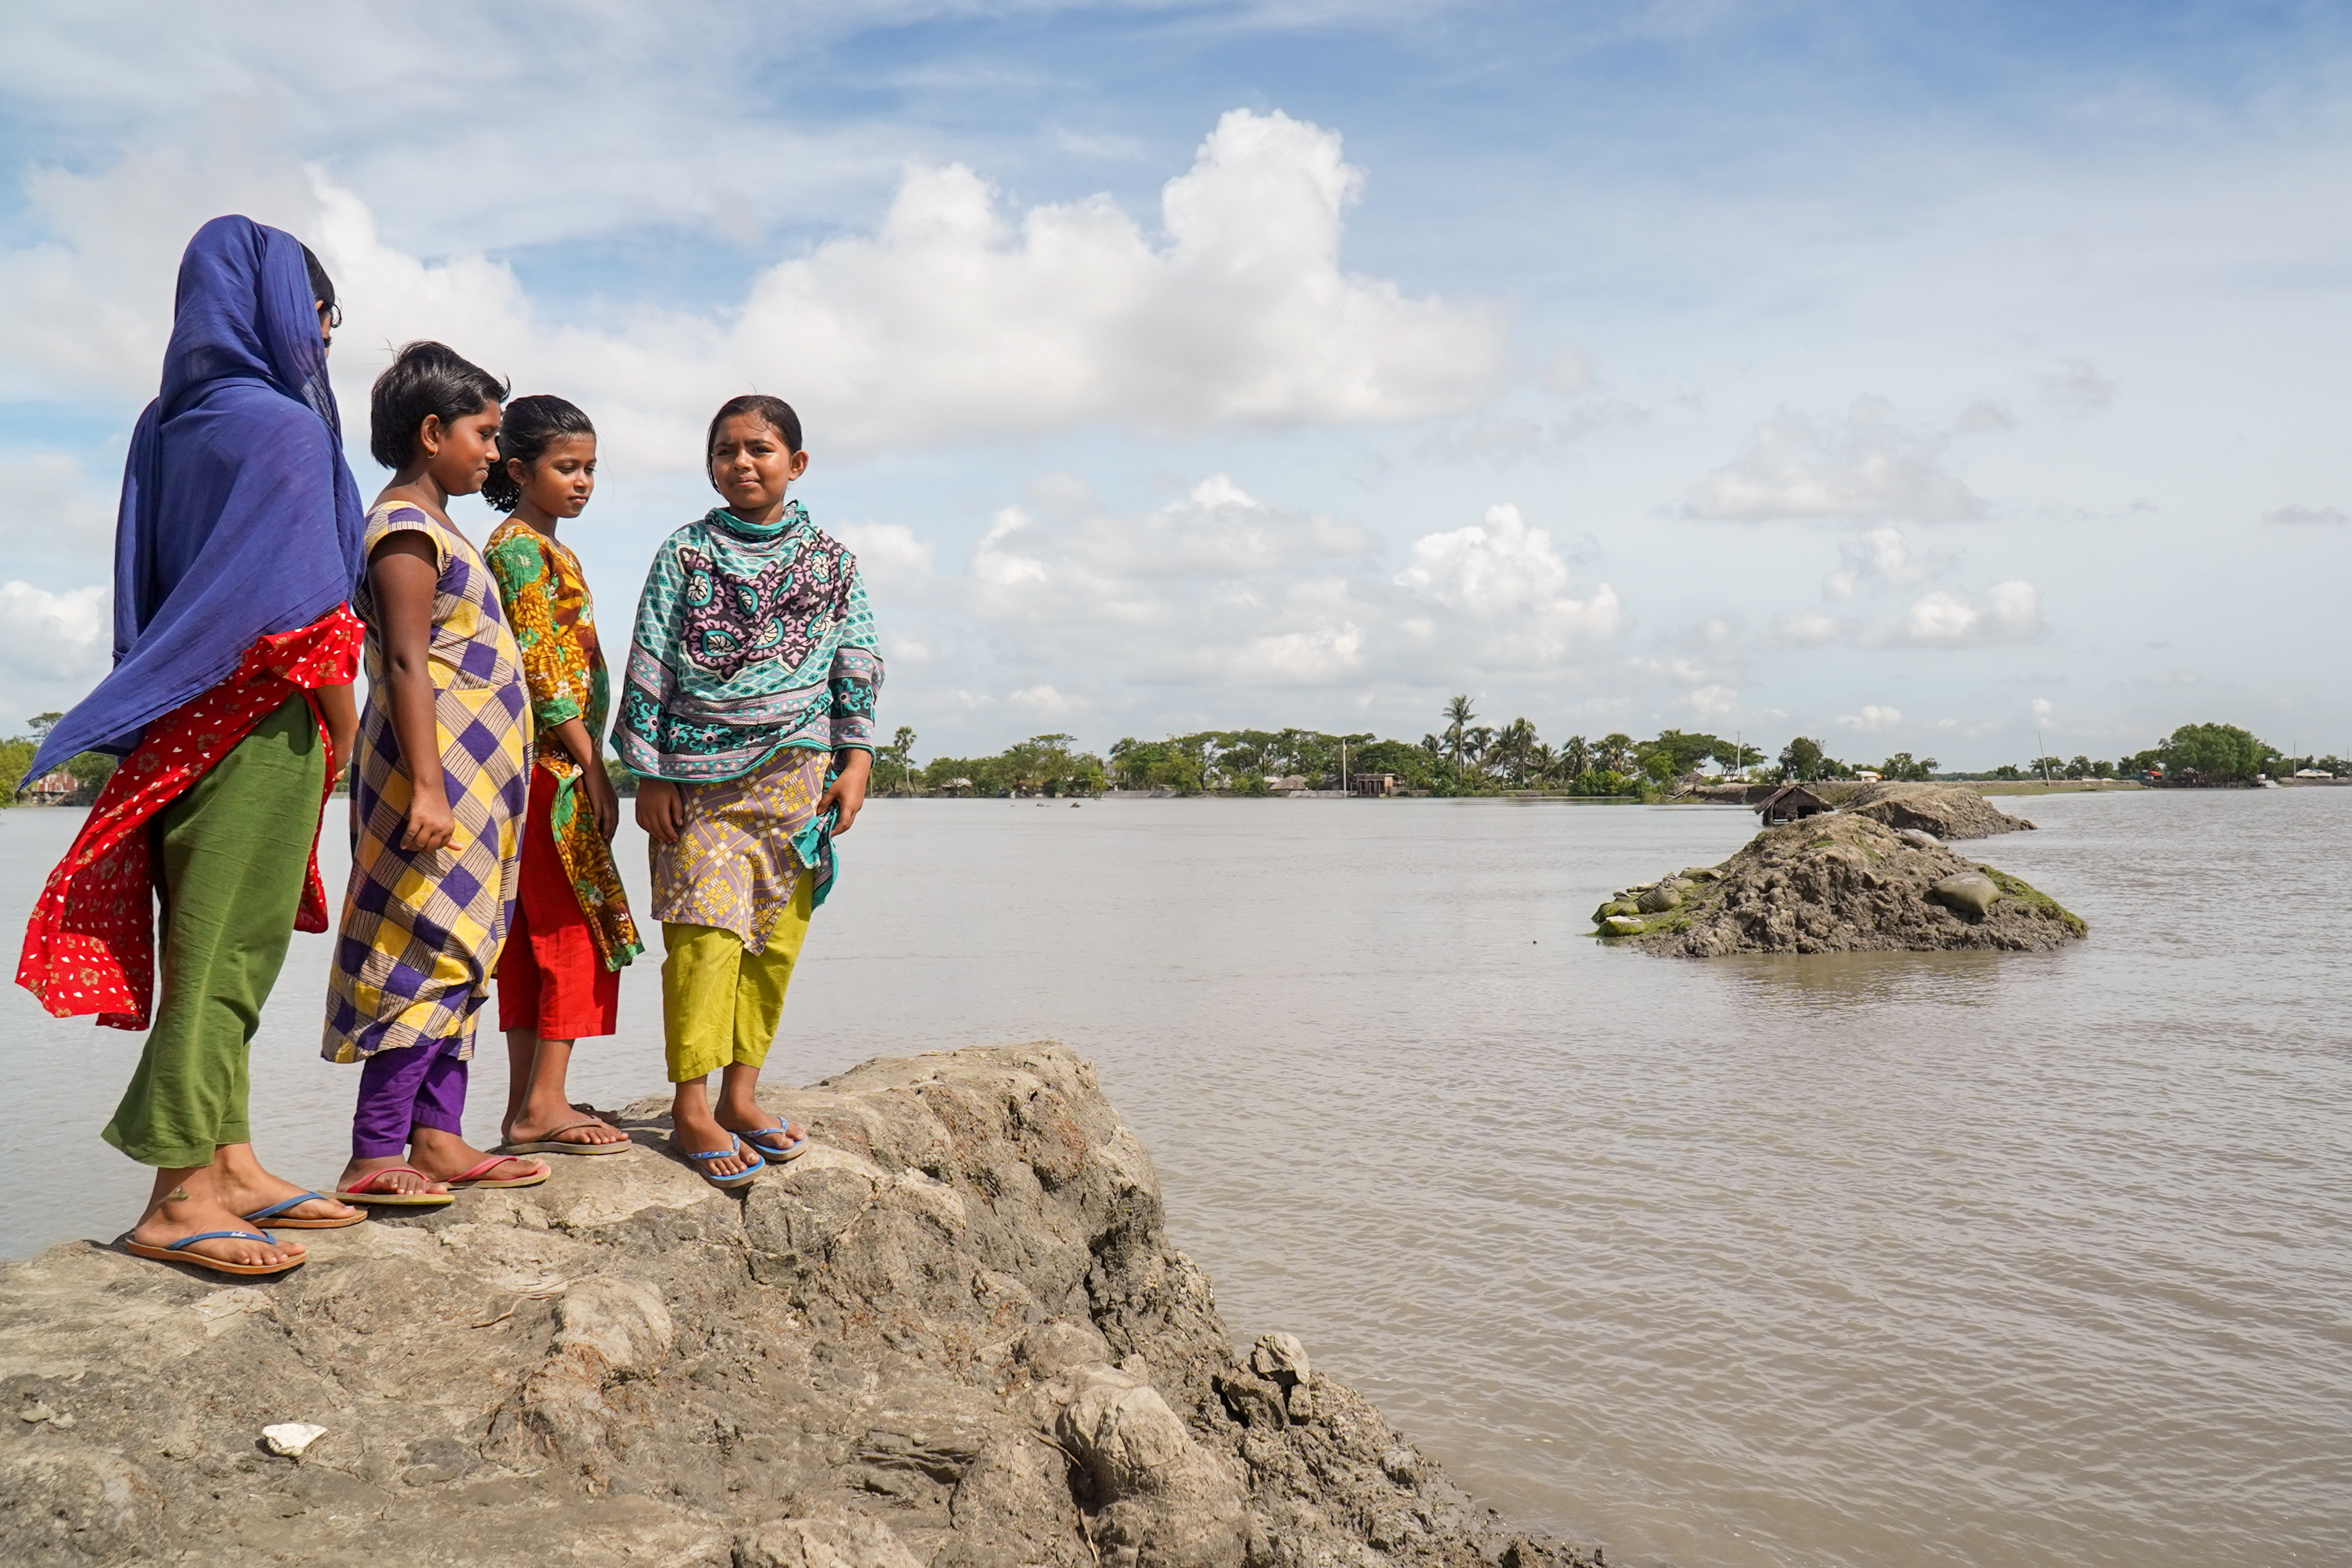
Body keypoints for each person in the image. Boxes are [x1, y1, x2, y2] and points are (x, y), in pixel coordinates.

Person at [15, 216, 368, 1277]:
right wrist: (342, 735)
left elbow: (150, 582)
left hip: (176, 724)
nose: (326, 338)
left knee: (212, 945)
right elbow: (307, 620)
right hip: (261, 720)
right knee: (227, 957)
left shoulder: (163, 425)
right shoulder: (287, 430)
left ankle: (232, 1157)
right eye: (321, 315)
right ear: (281, 311)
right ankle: (178, 1196)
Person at [615, 394, 881, 1189]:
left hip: (799, 773)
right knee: (703, 937)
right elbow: (650, 659)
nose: (743, 462)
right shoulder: (685, 554)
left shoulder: (832, 560)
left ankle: (741, 1094)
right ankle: (690, 1104)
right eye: (726, 450)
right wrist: (650, 770)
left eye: (760, 448)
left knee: (772, 937)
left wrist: (857, 760)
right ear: (710, 465)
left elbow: (856, 656)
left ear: (795, 463)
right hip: (697, 779)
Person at [324, 342, 547, 1206]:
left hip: (476, 789)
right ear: (430, 432)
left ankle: (439, 1136)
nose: (494, 452)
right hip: (432, 781)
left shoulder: (441, 523)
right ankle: (377, 1148)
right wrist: (427, 783)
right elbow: (408, 663)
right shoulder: (404, 529)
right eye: (483, 434)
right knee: (422, 947)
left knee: (465, 951)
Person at [479, 395, 640, 1154]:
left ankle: (529, 1106)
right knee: (568, 928)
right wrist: (591, 761)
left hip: (551, 764)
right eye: (566, 467)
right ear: (520, 470)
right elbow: (543, 670)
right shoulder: (517, 549)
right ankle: (542, 1104)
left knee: (537, 932)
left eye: (590, 469)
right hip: (552, 769)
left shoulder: (549, 547)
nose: (582, 482)